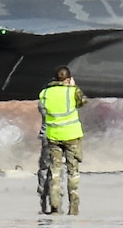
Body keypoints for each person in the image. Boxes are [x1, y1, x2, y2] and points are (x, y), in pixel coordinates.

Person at [37, 67, 87, 215]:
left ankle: (54, 205)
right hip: (72, 136)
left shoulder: (45, 93)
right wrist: (72, 86)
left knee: (55, 171)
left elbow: (43, 109)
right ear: (68, 79)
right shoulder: (73, 91)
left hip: (53, 137)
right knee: (73, 172)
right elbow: (82, 102)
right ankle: (74, 207)